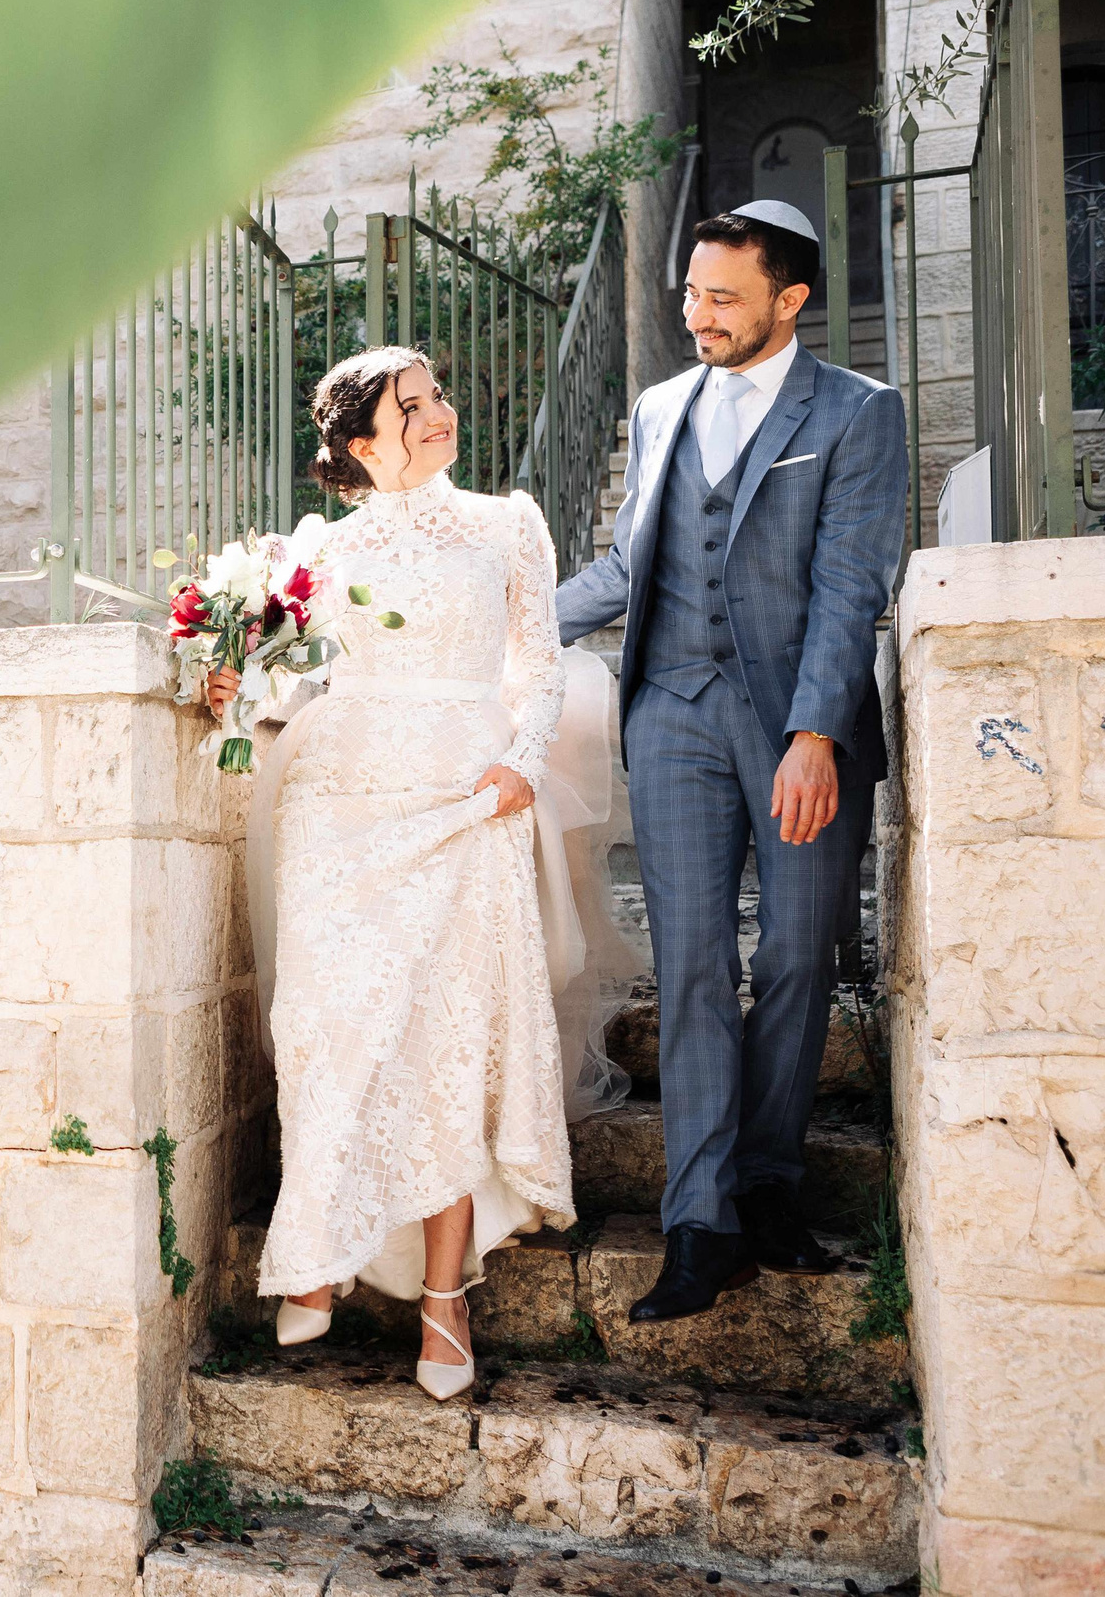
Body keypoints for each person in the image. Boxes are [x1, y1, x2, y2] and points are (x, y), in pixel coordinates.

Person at [208, 345, 627, 1400]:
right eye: (413, 405)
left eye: (437, 393)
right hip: (338, 807)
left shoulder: (505, 524)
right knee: (322, 1030)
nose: (440, 412)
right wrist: (227, 669)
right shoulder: (316, 551)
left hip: (463, 799)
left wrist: (521, 761)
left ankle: (445, 1302)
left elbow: (537, 662)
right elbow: (278, 682)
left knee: (449, 1042)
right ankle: (316, 1252)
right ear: (360, 445)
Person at [554, 201, 905, 1323]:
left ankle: (768, 1182)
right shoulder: (661, 408)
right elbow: (627, 566)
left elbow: (853, 583)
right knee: (696, 964)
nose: (695, 315)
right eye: (689, 293)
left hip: (796, 721)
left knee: (799, 955)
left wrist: (815, 734)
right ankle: (697, 1221)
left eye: (721, 298)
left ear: (788, 301)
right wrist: (498, 620)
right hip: (672, 716)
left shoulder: (856, 414)